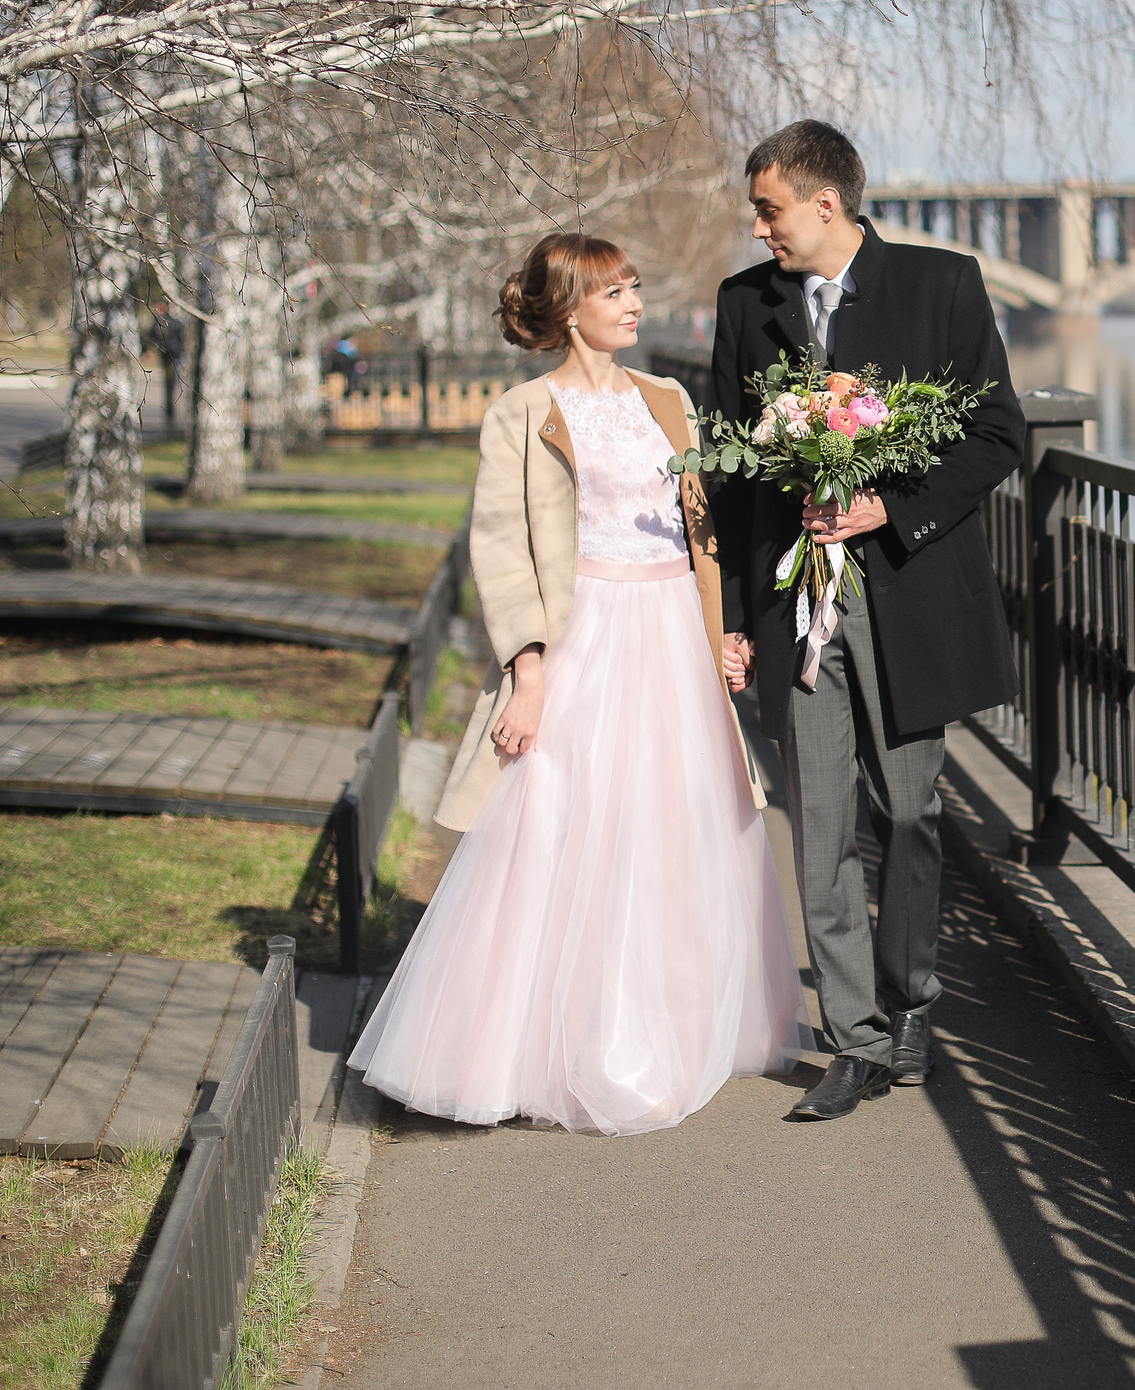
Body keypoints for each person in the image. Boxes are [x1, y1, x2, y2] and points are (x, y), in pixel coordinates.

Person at [349, 231, 806, 1135]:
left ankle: (665, 1032)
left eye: (635, 286)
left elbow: (700, 531)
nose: (634, 302)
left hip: (673, 633)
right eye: (614, 292)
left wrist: (722, 631)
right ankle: (540, 1046)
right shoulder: (521, 412)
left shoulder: (670, 400)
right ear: (567, 310)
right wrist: (527, 674)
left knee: (672, 831)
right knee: (560, 826)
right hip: (582, 638)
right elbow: (502, 553)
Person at [709, 120, 1026, 1122]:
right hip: (792, 601)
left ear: (825, 204)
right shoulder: (742, 307)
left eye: (769, 209)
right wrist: (734, 618)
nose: (758, 228)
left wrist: (892, 506)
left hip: (908, 594)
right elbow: (730, 474)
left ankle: (911, 1005)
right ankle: (854, 1042)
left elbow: (995, 436)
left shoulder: (941, 286)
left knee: (907, 813)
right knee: (818, 829)